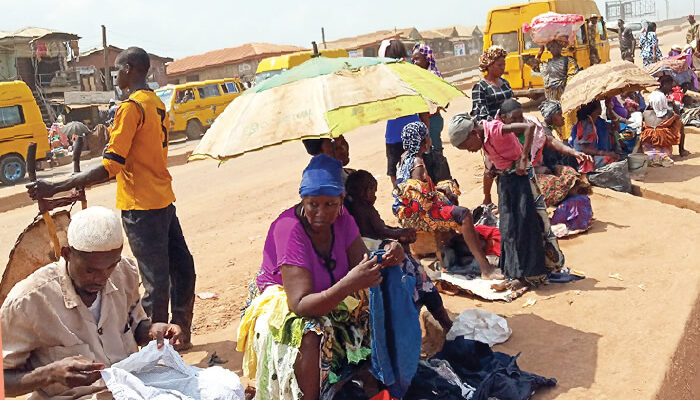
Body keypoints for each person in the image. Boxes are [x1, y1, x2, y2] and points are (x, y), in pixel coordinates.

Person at [26, 47, 196, 349]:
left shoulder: (131, 108)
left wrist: (55, 186)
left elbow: (111, 165)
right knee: (181, 268)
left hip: (142, 207)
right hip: (161, 201)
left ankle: (161, 345)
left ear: (129, 70)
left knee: (157, 280)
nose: (115, 75)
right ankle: (177, 332)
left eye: (117, 69)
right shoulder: (156, 104)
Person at [237, 154, 406, 400]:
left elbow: (364, 264)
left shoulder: (344, 219)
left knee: (387, 290)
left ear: (340, 201)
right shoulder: (289, 228)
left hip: (330, 289)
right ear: (303, 200)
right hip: (284, 298)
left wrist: (390, 250)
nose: (320, 213)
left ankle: (374, 376)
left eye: (329, 205)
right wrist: (349, 284)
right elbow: (301, 304)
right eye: (313, 204)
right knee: (309, 333)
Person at [2, 207, 184, 399]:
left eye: (111, 266)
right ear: (67, 254)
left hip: (129, 391)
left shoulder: (124, 272)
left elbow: (133, 325)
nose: (102, 278)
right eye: (90, 270)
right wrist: (49, 374)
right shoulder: (27, 303)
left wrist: (153, 331)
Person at [448, 111, 565, 292]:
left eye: (467, 146)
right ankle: (514, 273)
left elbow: (529, 127)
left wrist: (524, 157)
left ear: (473, 134)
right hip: (506, 183)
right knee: (508, 228)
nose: (470, 151)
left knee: (525, 228)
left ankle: (530, 275)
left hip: (521, 181)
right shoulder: (484, 137)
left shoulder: (495, 129)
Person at [392, 122, 503, 280]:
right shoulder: (418, 164)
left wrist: (441, 192)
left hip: (408, 212)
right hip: (418, 216)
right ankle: (485, 268)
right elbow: (421, 201)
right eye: (428, 137)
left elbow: (417, 192)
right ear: (424, 141)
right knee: (464, 214)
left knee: (449, 187)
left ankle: (453, 236)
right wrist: (443, 198)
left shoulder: (403, 158)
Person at [345, 169, 453, 331]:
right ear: (366, 192)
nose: (375, 196)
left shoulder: (352, 208)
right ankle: (445, 324)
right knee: (416, 272)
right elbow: (382, 230)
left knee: (406, 257)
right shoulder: (367, 210)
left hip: (368, 246)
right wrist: (400, 233)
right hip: (373, 246)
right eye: (373, 192)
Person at [381, 39, 428, 186]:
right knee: (418, 166)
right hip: (415, 130)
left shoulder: (383, 76)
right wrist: (426, 133)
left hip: (393, 134)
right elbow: (423, 107)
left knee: (395, 170)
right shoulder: (411, 72)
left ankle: (400, 198)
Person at [471, 45, 513, 205]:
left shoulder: (505, 83)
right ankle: (487, 198)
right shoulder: (480, 86)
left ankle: (506, 197)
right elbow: (480, 112)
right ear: (489, 64)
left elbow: (512, 104)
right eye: (499, 65)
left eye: (504, 64)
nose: (503, 68)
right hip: (491, 132)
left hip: (510, 129)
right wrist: (496, 128)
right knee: (491, 166)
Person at [411, 43, 453, 183]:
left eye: (418, 59)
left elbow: (445, 100)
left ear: (427, 59)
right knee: (425, 152)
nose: (414, 63)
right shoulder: (415, 76)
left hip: (432, 119)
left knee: (434, 152)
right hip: (421, 119)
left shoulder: (433, 76)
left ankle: (439, 180)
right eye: (413, 60)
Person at [642, 75, 690, 165]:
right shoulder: (661, 96)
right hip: (660, 120)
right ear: (665, 84)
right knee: (680, 124)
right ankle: (681, 150)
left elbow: (653, 106)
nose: (671, 88)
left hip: (651, 119)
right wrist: (675, 109)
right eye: (670, 85)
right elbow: (663, 112)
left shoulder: (653, 94)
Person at [571, 100, 620, 170]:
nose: (600, 106)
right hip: (586, 158)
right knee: (610, 159)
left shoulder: (599, 121)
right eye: (598, 104)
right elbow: (584, 149)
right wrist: (604, 153)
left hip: (598, 154)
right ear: (593, 109)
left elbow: (617, 128)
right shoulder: (585, 125)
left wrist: (610, 110)